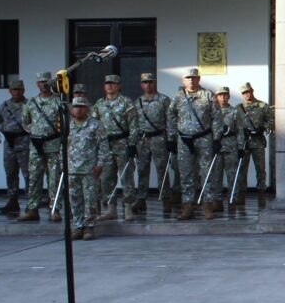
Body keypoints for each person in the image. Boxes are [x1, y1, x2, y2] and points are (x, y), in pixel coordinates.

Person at [167, 67, 222, 220]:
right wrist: (171, 138)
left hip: (204, 138)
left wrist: (217, 138)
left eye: (194, 77)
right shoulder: (178, 97)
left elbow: (216, 117)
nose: (191, 80)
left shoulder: (208, 95)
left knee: (207, 173)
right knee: (186, 174)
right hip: (184, 140)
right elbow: (171, 117)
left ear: (199, 79)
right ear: (183, 80)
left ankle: (208, 206)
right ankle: (187, 206)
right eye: (188, 78)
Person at [18, 72, 65, 223]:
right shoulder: (31, 103)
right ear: (37, 84)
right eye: (40, 82)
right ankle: (32, 209)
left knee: (54, 179)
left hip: (54, 144)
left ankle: (55, 209)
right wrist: (35, 131)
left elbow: (65, 122)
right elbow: (25, 122)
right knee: (34, 178)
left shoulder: (58, 102)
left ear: (51, 83)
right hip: (36, 145)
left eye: (46, 81)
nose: (43, 84)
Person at [92, 74, 140, 222]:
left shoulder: (126, 102)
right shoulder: (99, 104)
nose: (110, 86)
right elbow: (94, 125)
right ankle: (110, 209)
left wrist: (132, 143)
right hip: (106, 145)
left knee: (126, 177)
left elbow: (134, 125)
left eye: (113, 83)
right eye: (107, 83)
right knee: (106, 178)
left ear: (119, 86)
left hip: (123, 142)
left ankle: (127, 208)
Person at [134, 72, 177, 215]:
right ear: (141, 85)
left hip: (159, 137)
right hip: (142, 139)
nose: (148, 85)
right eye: (145, 82)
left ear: (154, 83)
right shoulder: (138, 101)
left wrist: (171, 139)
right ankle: (141, 199)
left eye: (150, 82)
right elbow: (134, 123)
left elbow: (170, 120)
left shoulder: (164, 100)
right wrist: (133, 142)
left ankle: (166, 198)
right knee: (142, 170)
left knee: (162, 170)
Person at [67, 96, 107, 241]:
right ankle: (77, 226)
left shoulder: (95, 125)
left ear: (87, 109)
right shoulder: (68, 126)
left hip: (89, 169)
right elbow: (62, 147)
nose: (79, 109)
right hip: (72, 169)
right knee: (75, 199)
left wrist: (100, 164)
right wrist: (62, 166)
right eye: (76, 107)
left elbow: (103, 146)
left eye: (82, 106)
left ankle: (89, 227)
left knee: (90, 200)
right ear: (72, 109)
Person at [237, 83, 273, 207]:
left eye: (248, 91)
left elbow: (271, 120)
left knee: (260, 170)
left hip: (258, 143)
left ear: (252, 91)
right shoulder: (238, 108)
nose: (247, 94)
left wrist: (263, 128)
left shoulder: (263, 106)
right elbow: (235, 125)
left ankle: (261, 195)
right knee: (242, 170)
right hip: (243, 144)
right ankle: (241, 195)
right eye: (244, 93)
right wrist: (241, 133)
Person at [0, 80, 30, 215]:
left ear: (23, 90)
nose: (17, 92)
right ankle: (12, 200)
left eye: (19, 89)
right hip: (10, 144)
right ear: (10, 91)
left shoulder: (29, 105)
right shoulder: (4, 106)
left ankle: (31, 202)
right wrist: (3, 129)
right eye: (14, 89)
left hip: (25, 143)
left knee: (28, 173)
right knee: (10, 172)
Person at [214, 86, 245, 213]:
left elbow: (240, 131)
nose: (223, 97)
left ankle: (232, 200)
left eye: (225, 95)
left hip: (231, 147)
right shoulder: (212, 112)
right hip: (216, 147)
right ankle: (217, 202)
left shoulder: (234, 112)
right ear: (216, 97)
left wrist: (240, 147)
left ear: (229, 96)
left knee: (232, 175)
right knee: (216, 176)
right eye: (220, 95)